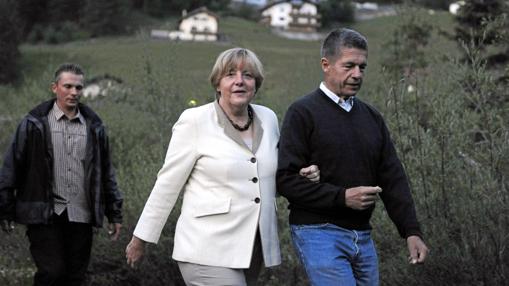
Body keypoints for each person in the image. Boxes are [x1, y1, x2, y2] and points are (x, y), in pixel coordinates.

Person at [125, 48, 319, 286]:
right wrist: (140, 238)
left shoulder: (268, 118)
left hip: (253, 248)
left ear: (255, 84)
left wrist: (300, 176)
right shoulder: (195, 120)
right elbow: (167, 184)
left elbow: (266, 179)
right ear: (218, 83)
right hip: (205, 249)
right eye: (230, 74)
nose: (239, 81)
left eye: (247, 75)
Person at [276, 28, 429, 285]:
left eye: (362, 67)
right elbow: (285, 180)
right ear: (326, 64)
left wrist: (411, 231)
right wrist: (342, 197)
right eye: (349, 66)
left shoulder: (371, 117)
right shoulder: (302, 112)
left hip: (362, 236)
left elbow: (393, 178)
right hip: (317, 233)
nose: (357, 74)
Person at [0, 63, 123, 286]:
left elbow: (105, 171)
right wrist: (5, 209)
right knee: (51, 273)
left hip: (81, 214)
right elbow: (12, 166)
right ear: (54, 87)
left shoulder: (94, 126)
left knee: (75, 278)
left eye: (78, 87)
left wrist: (114, 212)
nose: (74, 92)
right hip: (44, 213)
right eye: (68, 86)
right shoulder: (33, 123)